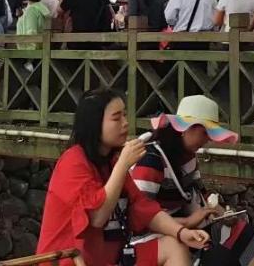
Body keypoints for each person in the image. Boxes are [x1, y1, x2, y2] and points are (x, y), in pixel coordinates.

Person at [36, 92, 212, 266]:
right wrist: (122, 165)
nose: (126, 123)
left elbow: (143, 208)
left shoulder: (111, 162)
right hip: (71, 260)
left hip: (110, 259)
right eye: (116, 118)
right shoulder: (73, 161)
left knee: (175, 246)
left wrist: (181, 232)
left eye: (125, 115)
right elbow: (98, 217)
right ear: (95, 124)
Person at [133, 96, 254, 266]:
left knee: (245, 235)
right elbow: (139, 216)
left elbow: (200, 195)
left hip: (182, 224)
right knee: (217, 255)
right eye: (205, 133)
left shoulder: (187, 157)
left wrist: (220, 212)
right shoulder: (151, 159)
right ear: (185, 129)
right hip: (153, 233)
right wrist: (187, 223)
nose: (207, 140)